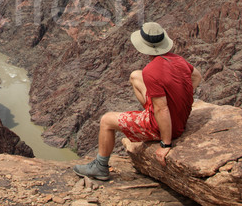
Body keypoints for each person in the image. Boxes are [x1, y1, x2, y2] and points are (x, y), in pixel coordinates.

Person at [73, 21, 202, 181]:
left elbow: (162, 110)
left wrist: (166, 144)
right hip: (179, 117)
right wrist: (181, 97)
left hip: (166, 126)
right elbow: (197, 76)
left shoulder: (152, 71)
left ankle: (100, 166)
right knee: (135, 75)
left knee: (106, 120)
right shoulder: (178, 60)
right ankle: (150, 112)